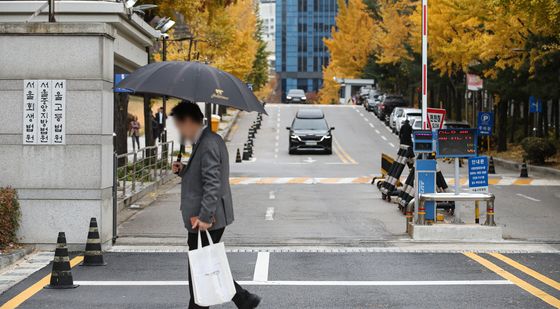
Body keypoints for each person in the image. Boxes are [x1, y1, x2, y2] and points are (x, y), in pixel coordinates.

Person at [170, 101, 261, 309]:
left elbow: (213, 183)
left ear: (188, 122)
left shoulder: (208, 143)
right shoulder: (207, 140)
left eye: (178, 124)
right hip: (207, 217)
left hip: (206, 219)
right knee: (208, 265)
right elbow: (204, 176)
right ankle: (243, 299)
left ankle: (235, 300)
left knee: (199, 271)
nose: (178, 130)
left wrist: (203, 216)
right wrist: (183, 170)